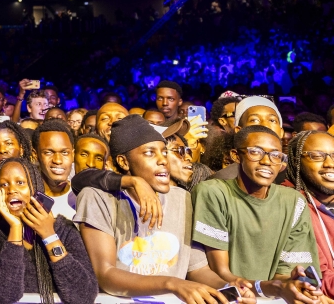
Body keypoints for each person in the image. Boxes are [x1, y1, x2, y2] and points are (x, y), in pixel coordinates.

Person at [74, 115, 248, 304]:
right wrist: (172, 284)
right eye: (150, 153)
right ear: (124, 162)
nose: (162, 160)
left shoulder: (183, 199)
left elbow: (198, 270)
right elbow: (106, 275)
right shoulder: (98, 198)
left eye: (164, 152)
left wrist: (228, 286)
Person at [193, 125, 321, 304]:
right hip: (231, 297)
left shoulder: (293, 200)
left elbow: (283, 275)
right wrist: (273, 287)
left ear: (282, 163)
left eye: (275, 155)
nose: (266, 161)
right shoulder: (214, 193)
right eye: (256, 152)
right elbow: (221, 272)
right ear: (236, 156)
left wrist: (293, 285)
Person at [0, 158, 97, 304]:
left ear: (36, 187)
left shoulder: (64, 231)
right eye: (4, 185)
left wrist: (49, 236)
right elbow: (5, 295)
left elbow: (83, 296)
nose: (12, 190)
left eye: (20, 183)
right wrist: (15, 229)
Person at [285, 130, 334, 296]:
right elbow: (317, 277)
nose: (329, 163)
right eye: (317, 156)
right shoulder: (291, 204)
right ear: (296, 161)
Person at [213, 96, 286, 182]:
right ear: (239, 130)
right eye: (254, 120)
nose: (264, 125)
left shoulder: (294, 174)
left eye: (272, 120)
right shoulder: (224, 179)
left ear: (281, 132)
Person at [30, 119, 76, 220]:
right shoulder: (28, 198)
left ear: (73, 154)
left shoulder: (82, 196)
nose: (58, 160)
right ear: (35, 155)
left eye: (64, 153)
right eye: (48, 152)